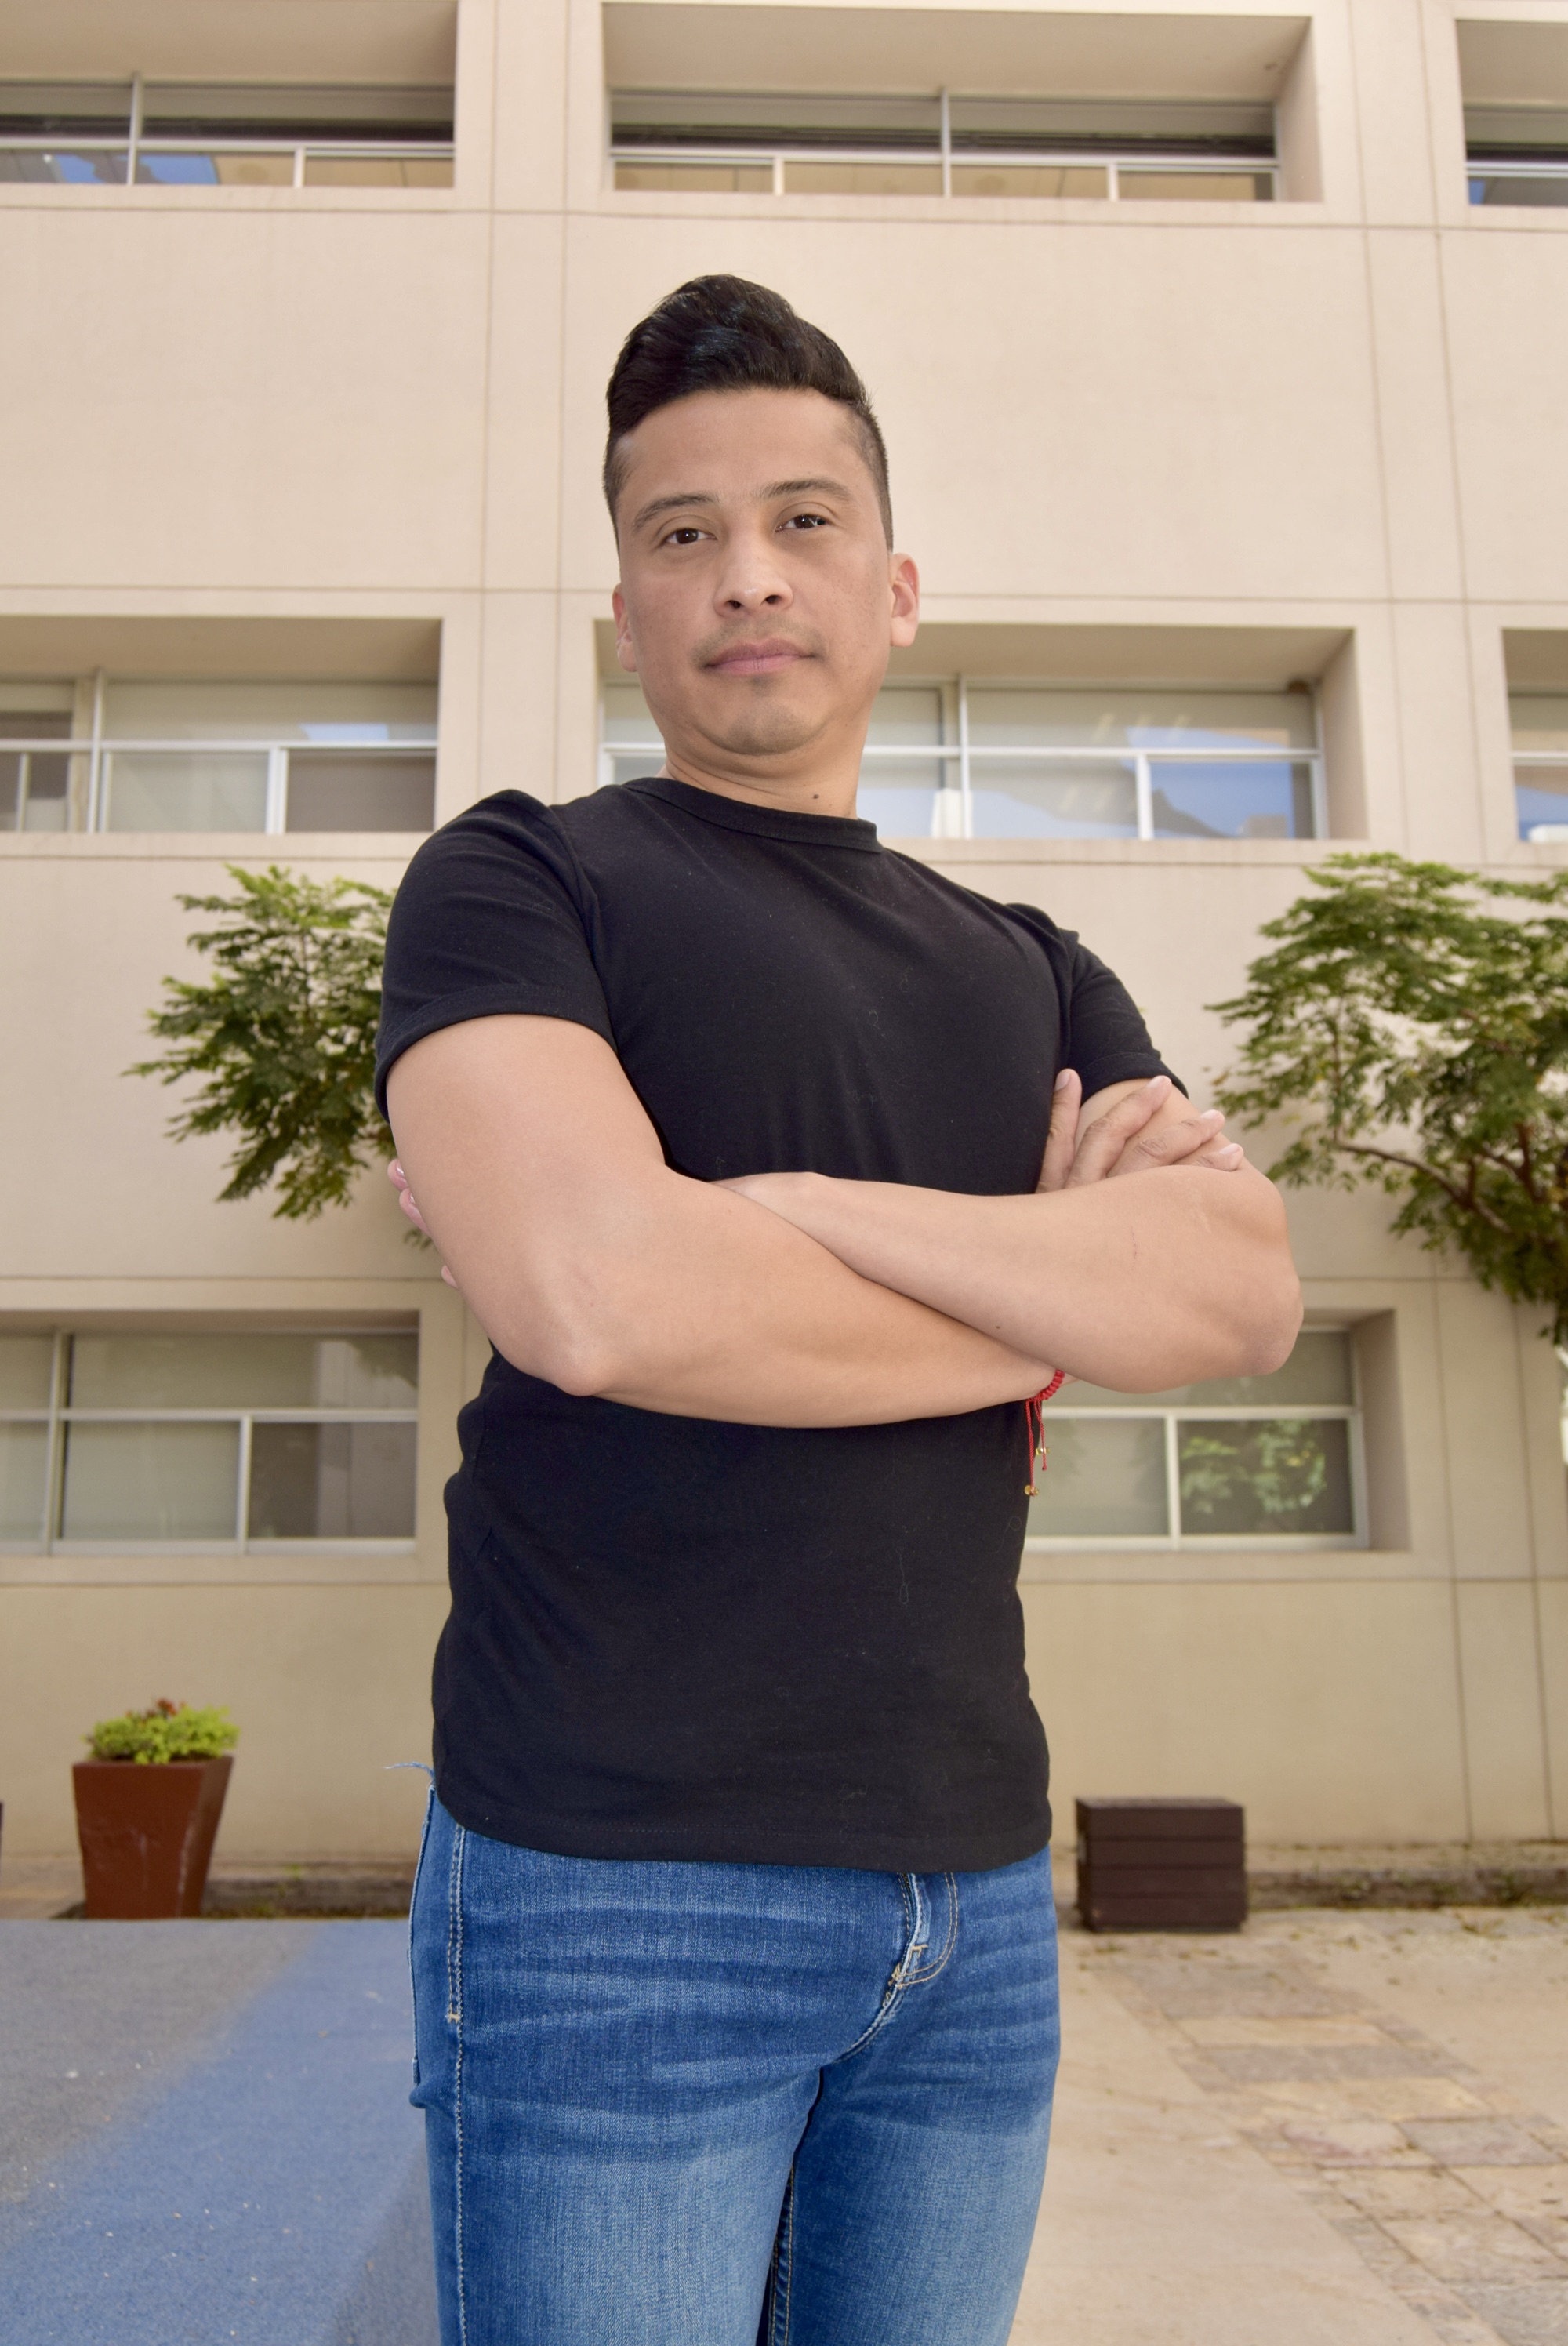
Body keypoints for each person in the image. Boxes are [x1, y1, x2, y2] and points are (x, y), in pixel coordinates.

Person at [377, 274, 1301, 2346]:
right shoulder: (521, 883)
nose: (747, 574)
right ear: (627, 610)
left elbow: (1239, 1290)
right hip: (615, 1889)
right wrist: (1054, 1296)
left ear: (894, 588)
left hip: (973, 1900)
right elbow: (600, 1299)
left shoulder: (1030, 964)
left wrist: (779, 1215)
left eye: (803, 520)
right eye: (681, 532)